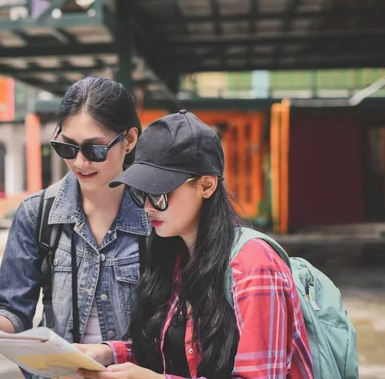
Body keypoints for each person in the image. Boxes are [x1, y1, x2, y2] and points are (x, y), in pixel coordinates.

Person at [75, 111, 314, 379]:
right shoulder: (177, 255)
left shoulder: (254, 268)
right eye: (140, 192)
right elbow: (170, 350)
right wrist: (109, 353)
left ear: (207, 185)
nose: (147, 206)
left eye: (159, 193)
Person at [0, 77, 150, 375]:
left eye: (95, 150)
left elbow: (174, 326)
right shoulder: (36, 213)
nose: (80, 162)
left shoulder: (157, 214)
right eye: (67, 148)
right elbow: (15, 312)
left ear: (129, 140)